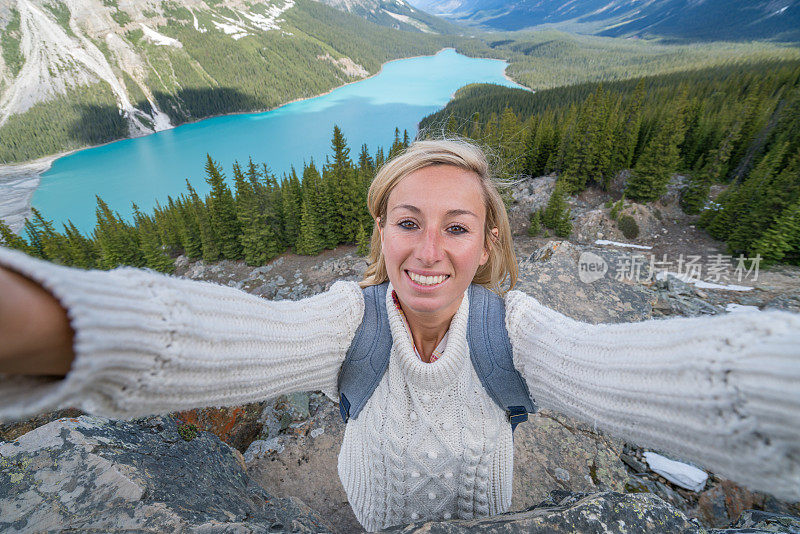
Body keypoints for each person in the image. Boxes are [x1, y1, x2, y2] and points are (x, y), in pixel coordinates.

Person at [0, 139, 798, 531]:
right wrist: (44, 323)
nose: (427, 251)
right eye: (407, 223)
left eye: (457, 227)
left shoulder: (511, 332)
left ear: (488, 244)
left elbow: (653, 374)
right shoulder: (350, 324)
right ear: (380, 233)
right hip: (371, 514)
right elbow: (215, 339)